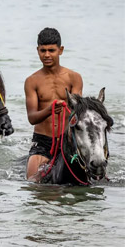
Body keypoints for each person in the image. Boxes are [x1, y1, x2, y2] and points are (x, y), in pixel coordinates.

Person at [24, 28, 83, 182]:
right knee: (32, 182)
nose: (47, 55)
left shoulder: (74, 78)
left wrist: (67, 107)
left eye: (52, 50)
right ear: (37, 50)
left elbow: (77, 114)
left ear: (60, 50)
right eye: (43, 50)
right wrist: (49, 110)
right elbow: (32, 118)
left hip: (68, 141)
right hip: (42, 142)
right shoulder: (32, 81)